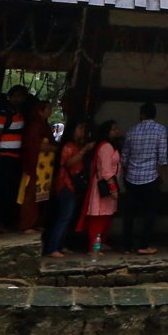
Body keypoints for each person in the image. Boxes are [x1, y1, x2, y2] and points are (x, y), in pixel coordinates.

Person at [120, 102, 167, 255]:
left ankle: (126, 246)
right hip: (150, 177)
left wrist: (127, 175)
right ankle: (144, 245)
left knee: (129, 214)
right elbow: (162, 157)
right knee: (150, 213)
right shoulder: (160, 130)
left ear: (142, 115)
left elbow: (124, 157)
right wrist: (161, 175)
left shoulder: (132, 131)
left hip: (132, 177)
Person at [44, 119, 93, 258]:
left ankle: (60, 245)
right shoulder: (69, 146)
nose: (82, 131)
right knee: (64, 217)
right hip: (66, 184)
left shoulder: (76, 145)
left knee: (67, 216)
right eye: (80, 128)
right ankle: (52, 247)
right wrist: (84, 151)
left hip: (72, 184)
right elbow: (68, 162)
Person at [0, 86, 28, 236]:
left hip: (15, 159)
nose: (18, 99)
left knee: (8, 192)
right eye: (15, 96)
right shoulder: (3, 115)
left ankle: (1, 223)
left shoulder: (20, 114)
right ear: (10, 98)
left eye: (21, 96)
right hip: (3, 158)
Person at [77, 120, 121, 254]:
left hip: (108, 187)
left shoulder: (108, 146)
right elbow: (106, 171)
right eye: (113, 129)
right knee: (99, 218)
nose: (116, 131)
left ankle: (100, 243)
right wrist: (113, 188)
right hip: (104, 187)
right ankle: (94, 247)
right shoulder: (106, 147)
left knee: (106, 217)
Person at [17, 99, 55, 234]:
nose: (51, 111)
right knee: (31, 196)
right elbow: (36, 144)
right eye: (48, 108)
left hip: (45, 167)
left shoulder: (44, 124)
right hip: (35, 165)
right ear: (41, 110)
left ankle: (36, 222)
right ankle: (26, 224)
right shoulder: (35, 125)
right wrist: (51, 148)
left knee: (41, 196)